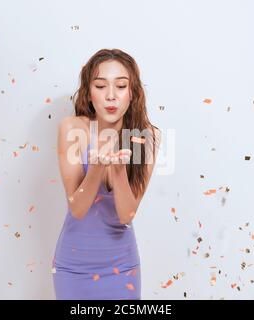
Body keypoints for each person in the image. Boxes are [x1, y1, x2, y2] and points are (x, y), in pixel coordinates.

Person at [52, 48, 161, 300]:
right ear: (89, 93)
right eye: (100, 86)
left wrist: (119, 171)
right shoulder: (72, 128)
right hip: (73, 267)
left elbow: (126, 215)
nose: (111, 96)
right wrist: (96, 169)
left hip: (122, 267)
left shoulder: (146, 136)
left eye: (121, 86)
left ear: (132, 92)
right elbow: (77, 209)